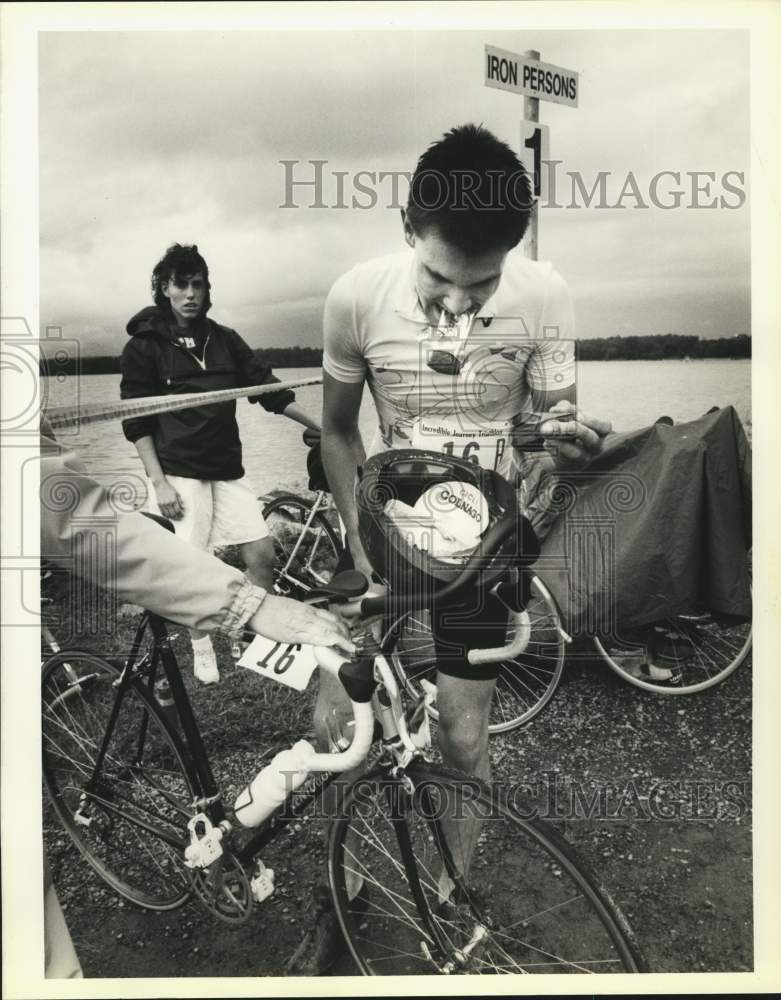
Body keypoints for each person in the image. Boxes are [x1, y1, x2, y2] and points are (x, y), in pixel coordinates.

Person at [289, 124, 612, 973]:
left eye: (482, 283)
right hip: (380, 529)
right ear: (405, 227)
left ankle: (447, 886)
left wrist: (561, 447)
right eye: (437, 277)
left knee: (463, 737)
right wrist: (361, 549)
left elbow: (543, 430)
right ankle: (346, 880)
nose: (457, 304)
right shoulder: (353, 298)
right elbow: (334, 431)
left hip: (482, 545)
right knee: (338, 718)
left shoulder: (546, 296)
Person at [39, 422, 354, 977]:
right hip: (171, 486)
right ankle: (175, 677)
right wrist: (251, 607)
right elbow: (54, 506)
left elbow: (50, 485)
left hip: (209, 475)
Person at [120, 243, 319, 685]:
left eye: (198, 284)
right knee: (195, 565)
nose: (191, 293)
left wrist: (318, 425)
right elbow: (137, 421)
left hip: (226, 467)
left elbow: (269, 390)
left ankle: (255, 636)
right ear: (165, 288)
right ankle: (200, 645)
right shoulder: (144, 346)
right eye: (181, 284)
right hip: (178, 471)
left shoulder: (225, 338)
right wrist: (159, 483)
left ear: (207, 289)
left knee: (261, 554)